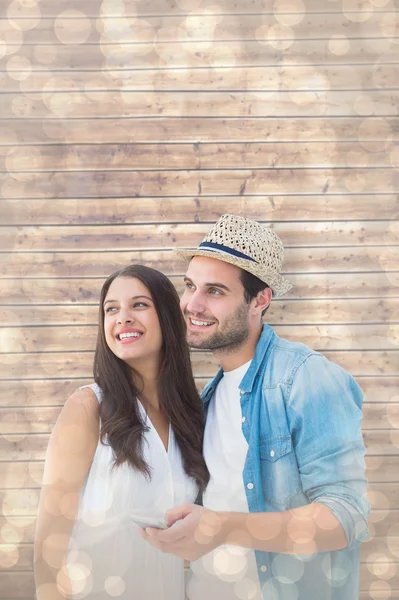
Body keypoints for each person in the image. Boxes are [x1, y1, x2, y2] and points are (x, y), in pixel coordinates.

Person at [141, 214, 370, 600]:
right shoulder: (208, 399)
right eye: (190, 286)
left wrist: (222, 528)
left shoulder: (306, 378)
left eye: (214, 291)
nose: (192, 304)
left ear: (260, 300)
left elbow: (345, 517)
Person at [34, 264, 209, 600]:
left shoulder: (190, 417)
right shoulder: (88, 408)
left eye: (139, 305)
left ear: (169, 317)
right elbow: (48, 544)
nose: (123, 317)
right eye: (111, 309)